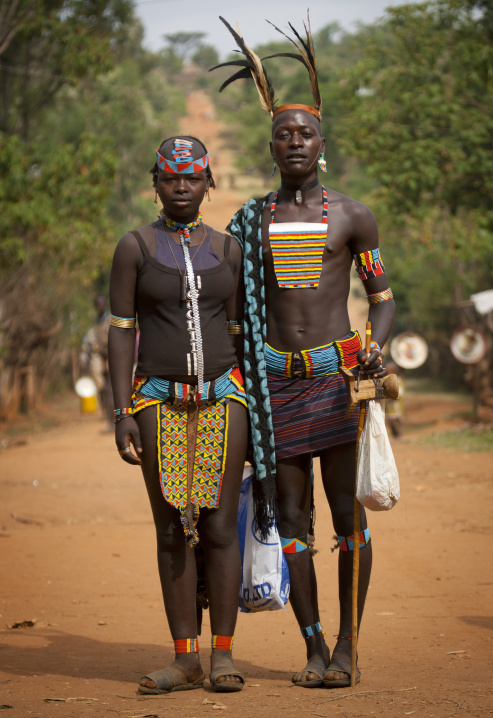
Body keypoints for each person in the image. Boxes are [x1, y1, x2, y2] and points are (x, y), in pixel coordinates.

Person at [213, 17, 396, 689]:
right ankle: (313, 645)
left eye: (305, 133)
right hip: (273, 389)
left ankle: (348, 647)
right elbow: (233, 306)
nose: (295, 142)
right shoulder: (251, 222)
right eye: (283, 134)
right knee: (293, 523)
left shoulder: (352, 216)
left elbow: (381, 294)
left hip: (336, 382)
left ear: (322, 143)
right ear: (272, 146)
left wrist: (378, 347)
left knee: (348, 523)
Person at [108, 136, 250, 694]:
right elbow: (120, 334)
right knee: (171, 528)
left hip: (225, 396)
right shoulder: (135, 248)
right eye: (171, 178)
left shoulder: (228, 249)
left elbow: (239, 329)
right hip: (155, 402)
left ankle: (222, 656)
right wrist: (121, 411)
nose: (183, 186)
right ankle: (185, 657)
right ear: (157, 183)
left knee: (217, 525)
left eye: (193, 178)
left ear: (208, 183)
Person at [81, 294, 114, 431]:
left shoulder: (110, 320)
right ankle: (109, 418)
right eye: (97, 304)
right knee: (103, 389)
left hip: (111, 357)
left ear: (105, 304)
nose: (100, 306)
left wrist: (101, 347)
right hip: (101, 357)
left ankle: (113, 421)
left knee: (110, 390)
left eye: (102, 304)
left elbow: (113, 338)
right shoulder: (96, 320)